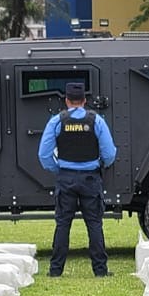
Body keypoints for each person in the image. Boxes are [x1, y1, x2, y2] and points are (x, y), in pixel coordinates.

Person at [38, 81, 117, 277]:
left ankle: (55, 271)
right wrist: (100, 164)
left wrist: (58, 169)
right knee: (94, 224)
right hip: (91, 179)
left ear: (66, 100)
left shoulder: (56, 121)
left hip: (66, 178)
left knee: (63, 224)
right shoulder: (96, 121)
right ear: (84, 100)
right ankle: (100, 271)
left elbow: (44, 154)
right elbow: (109, 153)